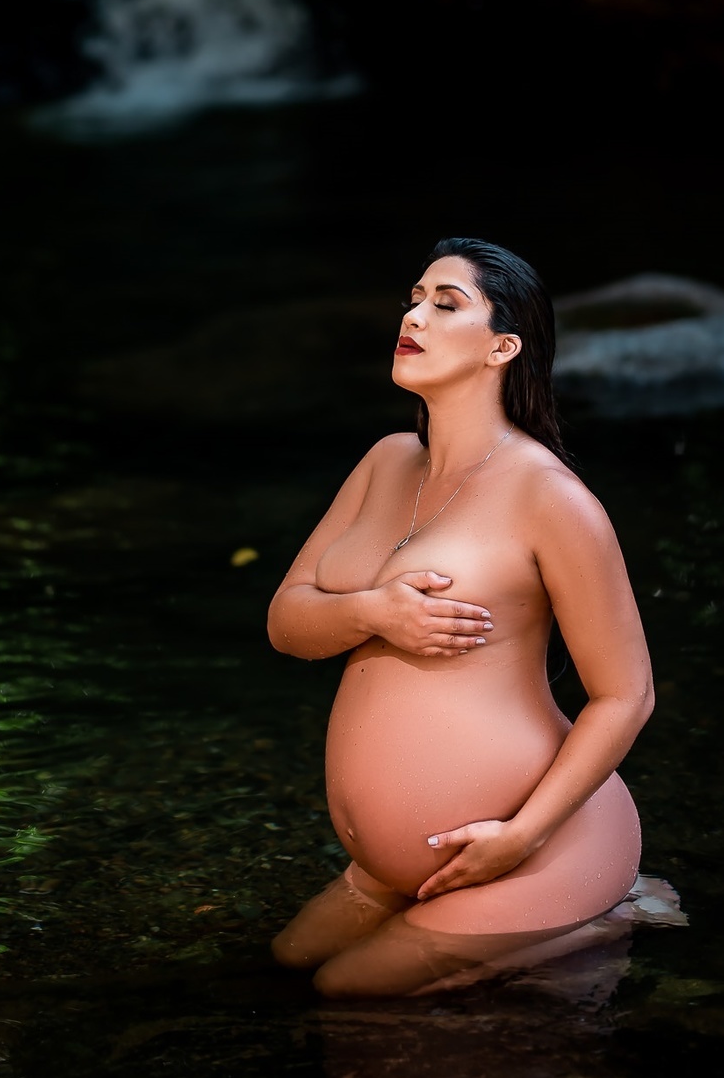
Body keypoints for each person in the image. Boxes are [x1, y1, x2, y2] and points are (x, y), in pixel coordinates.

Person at [266, 237, 656, 997]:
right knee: (287, 963)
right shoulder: (385, 462)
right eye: (414, 298)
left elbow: (626, 695)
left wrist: (521, 837)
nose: (414, 315)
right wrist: (374, 613)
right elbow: (287, 620)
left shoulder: (551, 497)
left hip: (539, 844)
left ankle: (605, 914)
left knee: (348, 993)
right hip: (394, 863)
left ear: (502, 347)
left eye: (447, 305)